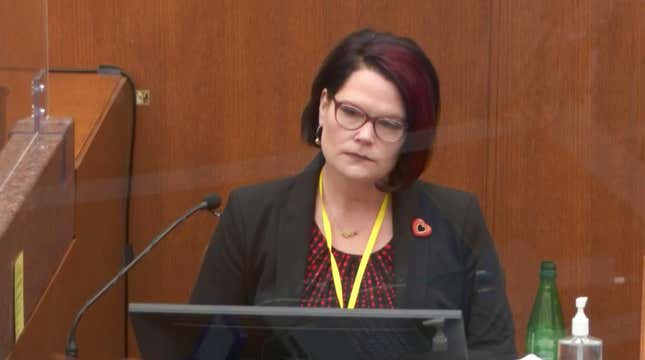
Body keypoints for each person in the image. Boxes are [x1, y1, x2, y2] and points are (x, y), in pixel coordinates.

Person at [191, 29, 516, 358]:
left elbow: (493, 350)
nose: (363, 136)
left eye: (388, 124)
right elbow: (203, 348)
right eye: (350, 113)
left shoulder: (455, 218)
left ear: (409, 138)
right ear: (323, 107)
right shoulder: (252, 215)